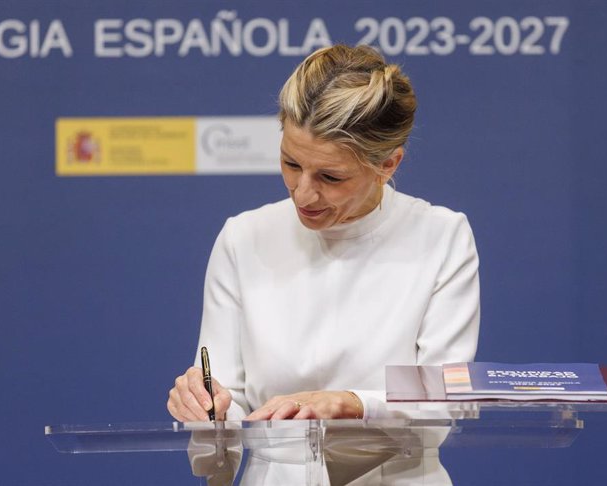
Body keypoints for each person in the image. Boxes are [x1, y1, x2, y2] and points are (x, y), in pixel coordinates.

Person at [167, 44, 480, 483]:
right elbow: (224, 420)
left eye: (331, 177)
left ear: (388, 163)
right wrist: (207, 411)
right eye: (290, 164)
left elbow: (445, 401)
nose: (303, 194)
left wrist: (353, 403)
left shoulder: (441, 237)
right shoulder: (243, 237)